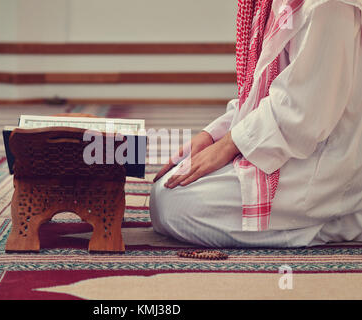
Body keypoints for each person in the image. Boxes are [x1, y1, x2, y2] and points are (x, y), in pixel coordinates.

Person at [150, 0, 362, 248]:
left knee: (176, 206)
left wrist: (229, 145)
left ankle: (343, 220)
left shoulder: (329, 5)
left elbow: (304, 112)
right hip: (291, 146)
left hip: (326, 162)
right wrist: (214, 135)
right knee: (166, 190)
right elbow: (264, 91)